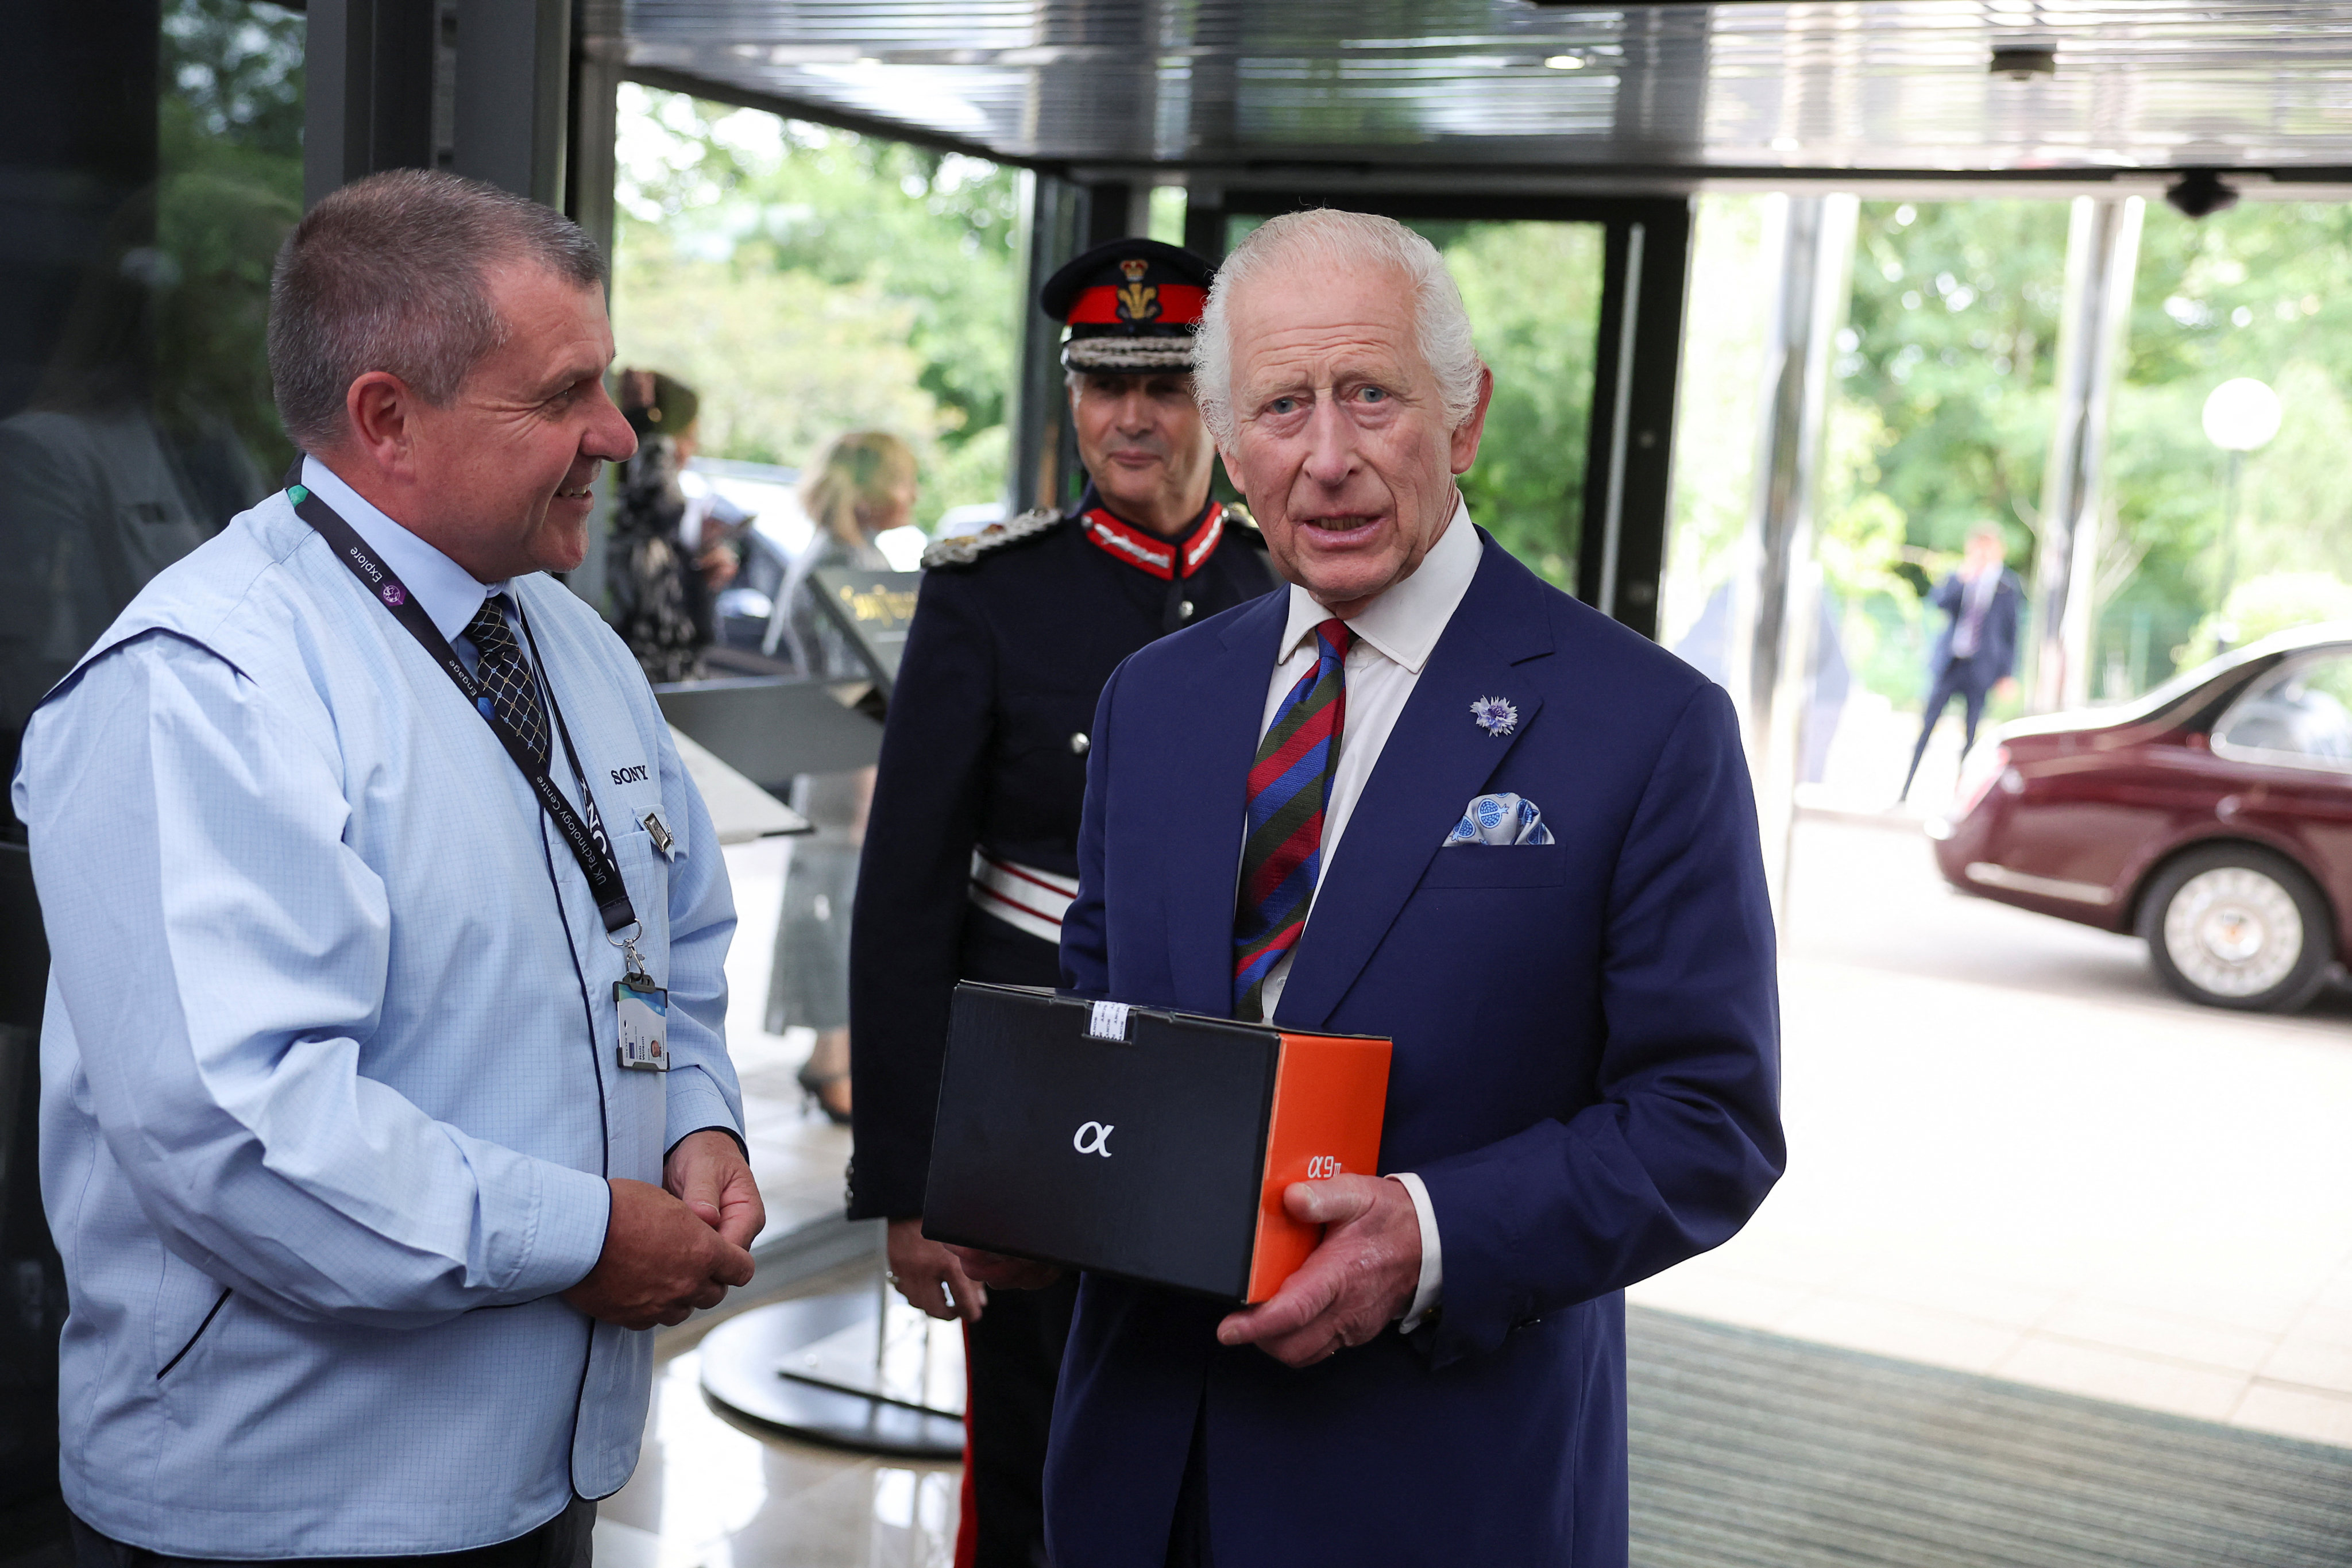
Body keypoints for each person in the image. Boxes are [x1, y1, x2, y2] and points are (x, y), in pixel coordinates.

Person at [952, 209, 1784, 1566]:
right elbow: (1105, 1030)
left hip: (1439, 1485)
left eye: (1372, 396)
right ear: (1228, 437)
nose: (1327, 458)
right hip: (1137, 1469)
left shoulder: (1646, 725)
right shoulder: (1156, 701)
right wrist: (1036, 1201)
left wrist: (1433, 1234)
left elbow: (1707, 1125)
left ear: (1464, 420)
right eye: (1281, 405)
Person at [11, 169, 763, 1562]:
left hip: (542, 1484)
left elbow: (675, 946)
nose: (616, 433)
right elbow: (246, 1138)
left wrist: (695, 1123)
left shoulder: (575, 649)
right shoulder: (207, 685)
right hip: (293, 1507)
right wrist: (591, 1236)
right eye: (563, 395)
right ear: (384, 419)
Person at [848, 237, 1281, 1568]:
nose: (1130, 418)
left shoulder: (1287, 587)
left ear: (1216, 396)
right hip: (1038, 1089)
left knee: (1228, 1438)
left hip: (1234, 1087)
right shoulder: (993, 597)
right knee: (1034, 1455)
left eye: (1162, 384)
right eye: (1103, 385)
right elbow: (907, 900)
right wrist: (909, 1179)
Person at [766, 430, 919, 1123]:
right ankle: (832, 1061)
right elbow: (854, 687)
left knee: (846, 908)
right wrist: (868, 796)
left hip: (848, 762)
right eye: (902, 479)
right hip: (845, 769)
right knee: (839, 907)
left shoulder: (850, 557)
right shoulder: (839, 564)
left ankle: (834, 1054)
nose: (911, 495)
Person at [608, 369, 746, 684]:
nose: (691, 449)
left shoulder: (656, 531)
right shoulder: (631, 511)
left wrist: (698, 573)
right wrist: (647, 422)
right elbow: (661, 500)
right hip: (650, 684)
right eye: (685, 436)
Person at [1900, 522, 2022, 801]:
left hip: (1981, 668)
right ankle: (1905, 790)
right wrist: (1964, 579)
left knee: (1971, 733)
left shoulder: (2006, 586)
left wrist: (2007, 674)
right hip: (1951, 663)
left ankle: (1959, 797)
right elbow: (1939, 603)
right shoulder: (1960, 576)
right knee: (1927, 725)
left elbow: (2012, 633)